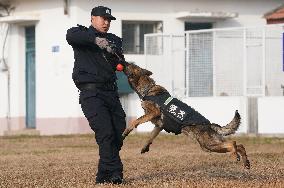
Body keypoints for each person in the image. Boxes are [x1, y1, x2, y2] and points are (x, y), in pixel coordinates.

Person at [66, 6, 126, 184]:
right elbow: (71, 36)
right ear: (92, 18)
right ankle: (115, 173)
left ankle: (103, 175)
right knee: (105, 132)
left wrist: (117, 59)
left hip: (111, 92)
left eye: (109, 20)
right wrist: (96, 40)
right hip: (91, 94)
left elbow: (119, 61)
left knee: (117, 131)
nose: (106, 22)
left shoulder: (114, 39)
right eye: (102, 18)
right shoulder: (81, 34)